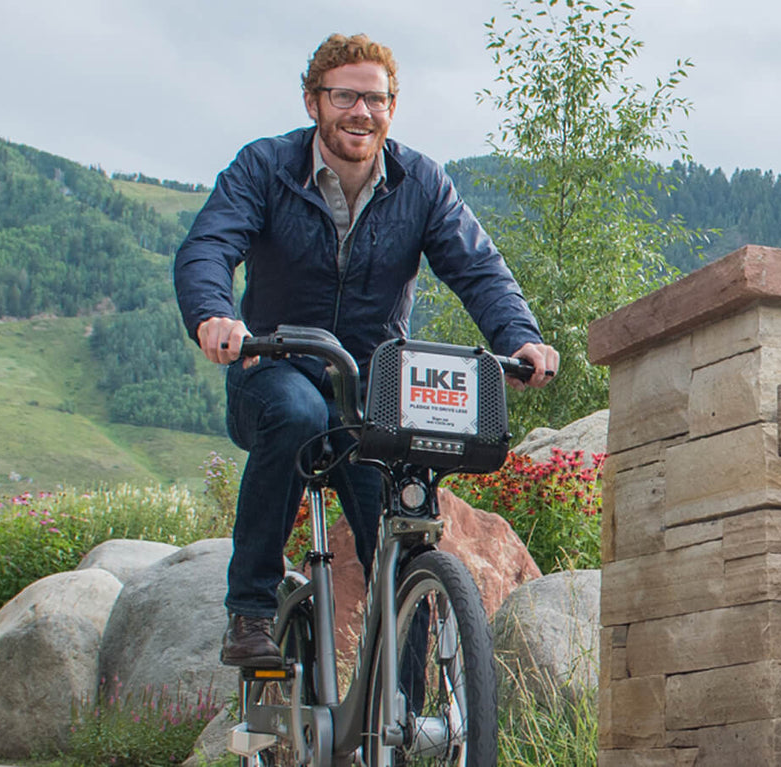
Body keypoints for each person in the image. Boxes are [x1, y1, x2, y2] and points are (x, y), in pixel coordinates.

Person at [174, 33, 557, 668]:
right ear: (313, 102)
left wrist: (518, 337)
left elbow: (478, 268)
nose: (361, 112)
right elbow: (209, 246)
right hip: (274, 366)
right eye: (345, 96)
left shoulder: (421, 182)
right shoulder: (264, 167)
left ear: (392, 107)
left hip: (373, 388)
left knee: (403, 535)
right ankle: (250, 610)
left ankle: (401, 715)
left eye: (375, 99)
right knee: (299, 415)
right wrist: (216, 314)